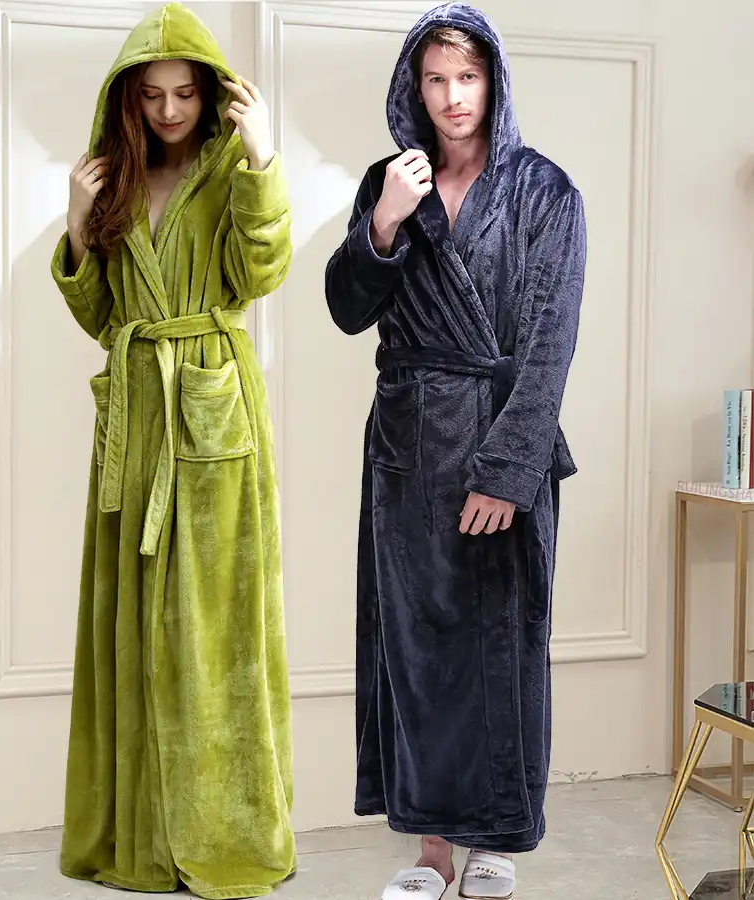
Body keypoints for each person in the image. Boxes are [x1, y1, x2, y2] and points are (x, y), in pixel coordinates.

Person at [325, 3, 586, 899]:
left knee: (503, 646)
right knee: (416, 649)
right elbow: (347, 308)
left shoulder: (546, 192)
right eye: (435, 79)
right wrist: (384, 225)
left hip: (500, 434)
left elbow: (549, 346)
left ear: (493, 81)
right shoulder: (389, 180)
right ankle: (433, 850)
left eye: (466, 77)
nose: (451, 97)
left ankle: (494, 842)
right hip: (406, 446)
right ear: (414, 87)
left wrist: (508, 473)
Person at [49, 3, 295, 897]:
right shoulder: (115, 178)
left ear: (210, 91)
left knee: (216, 628)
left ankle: (227, 828)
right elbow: (100, 316)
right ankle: (141, 833)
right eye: (151, 95)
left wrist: (262, 159)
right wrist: (78, 222)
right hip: (138, 419)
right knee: (131, 619)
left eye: (184, 93)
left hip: (213, 408)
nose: (168, 110)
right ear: (128, 98)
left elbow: (262, 273)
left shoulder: (230, 168)